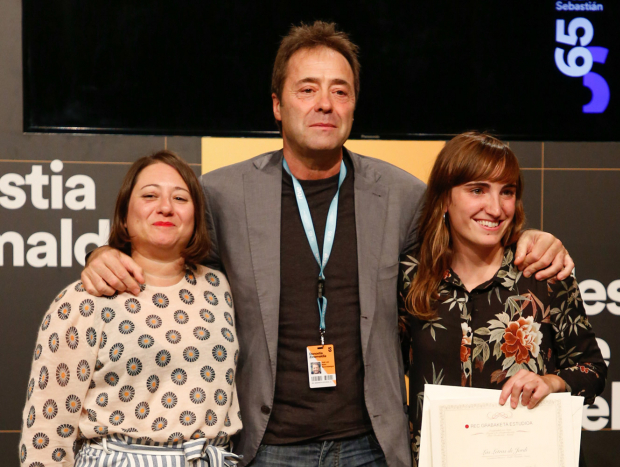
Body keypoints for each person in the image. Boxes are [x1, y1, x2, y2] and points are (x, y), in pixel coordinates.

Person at [80, 22, 573, 467]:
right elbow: (159, 251)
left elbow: (466, 245)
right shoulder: (223, 194)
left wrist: (527, 237)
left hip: (371, 446)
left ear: (353, 106)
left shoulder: (401, 195)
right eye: (307, 89)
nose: (325, 104)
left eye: (340, 91)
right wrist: (103, 255)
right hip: (264, 446)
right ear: (278, 105)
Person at [20, 151, 242, 466]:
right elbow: (46, 430)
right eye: (150, 195)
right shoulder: (85, 299)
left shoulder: (220, 287)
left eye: (180, 198)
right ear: (124, 215)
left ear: (197, 218)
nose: (165, 207)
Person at [398, 132, 606, 466]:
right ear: (444, 199)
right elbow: (381, 375)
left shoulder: (543, 273)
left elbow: (592, 370)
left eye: (506, 192)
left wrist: (552, 382)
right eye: (477, 190)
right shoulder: (411, 277)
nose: (495, 209)